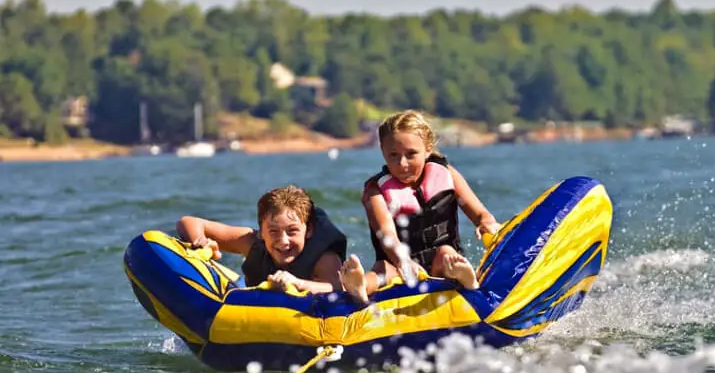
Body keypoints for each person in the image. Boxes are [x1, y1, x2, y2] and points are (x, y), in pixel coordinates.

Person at [339, 110, 500, 304]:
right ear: (382, 151)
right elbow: (386, 233)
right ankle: (360, 286)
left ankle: (463, 276)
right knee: (383, 269)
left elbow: (479, 213)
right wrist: (403, 261)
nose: (402, 164)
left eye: (411, 154)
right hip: (398, 264)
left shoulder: (445, 173)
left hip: (442, 262)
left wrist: (486, 223)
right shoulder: (375, 191)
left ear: (428, 148)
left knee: (446, 254)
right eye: (393, 155)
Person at [176, 184, 351, 297]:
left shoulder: (323, 257)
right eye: (273, 231)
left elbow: (336, 287)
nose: (283, 241)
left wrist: (297, 283)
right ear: (261, 233)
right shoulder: (252, 243)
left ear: (309, 231)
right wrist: (201, 242)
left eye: (292, 231)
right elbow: (189, 222)